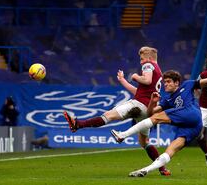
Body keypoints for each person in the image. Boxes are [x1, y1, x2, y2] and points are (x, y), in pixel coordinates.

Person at [110, 61, 207, 177]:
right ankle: (146, 170)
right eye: (164, 82)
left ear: (177, 83)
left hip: (191, 113)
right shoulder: (167, 100)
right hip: (191, 127)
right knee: (171, 149)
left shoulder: (188, 84)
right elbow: (150, 113)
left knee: (158, 118)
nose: (165, 85)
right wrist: (152, 102)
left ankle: (123, 134)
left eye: (168, 82)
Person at [63, 46, 171, 176]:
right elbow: (139, 92)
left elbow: (146, 80)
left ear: (149, 58)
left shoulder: (148, 65)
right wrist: (123, 81)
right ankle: (162, 168)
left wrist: (135, 76)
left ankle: (78, 124)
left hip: (138, 105)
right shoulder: (158, 71)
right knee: (144, 142)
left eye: (142, 59)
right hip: (147, 109)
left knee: (108, 116)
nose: (141, 62)